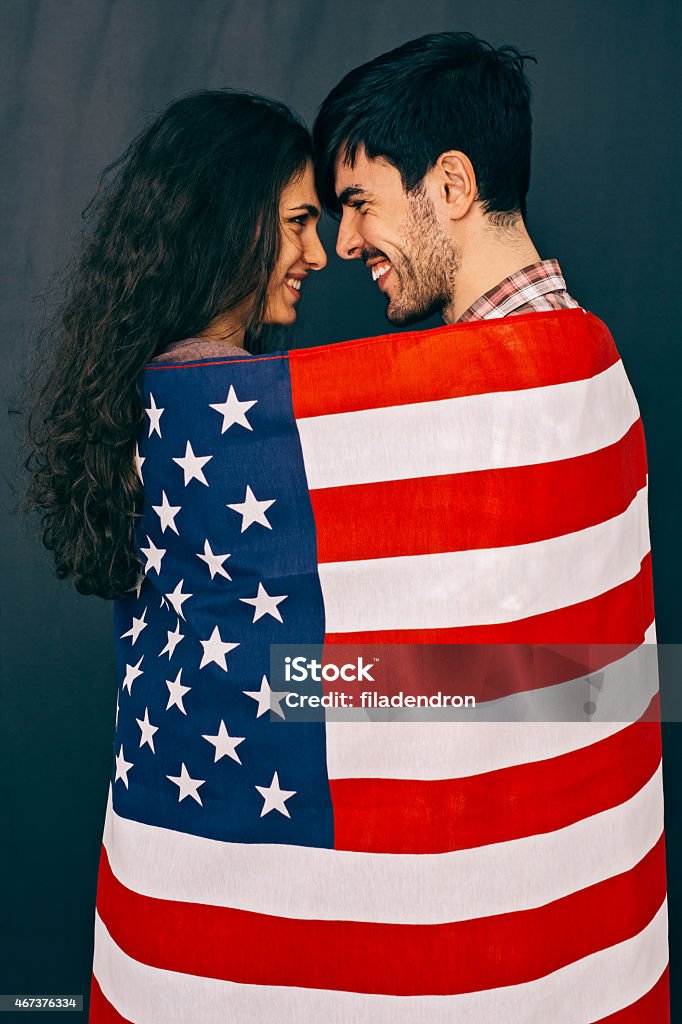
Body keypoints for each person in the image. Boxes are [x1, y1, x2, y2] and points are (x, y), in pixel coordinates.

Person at [312, 30, 670, 1020]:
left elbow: (533, 691)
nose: (345, 245)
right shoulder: (588, 365)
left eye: (360, 203)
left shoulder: (517, 397)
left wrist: (280, 685)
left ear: (452, 184)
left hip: (507, 925)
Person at [22, 88, 326, 600]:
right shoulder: (227, 398)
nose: (317, 255)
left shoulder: (147, 383)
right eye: (298, 222)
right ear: (226, 220)